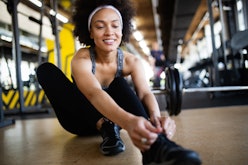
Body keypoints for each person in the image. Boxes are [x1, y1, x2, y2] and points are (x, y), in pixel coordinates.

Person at [36, 0, 201, 164]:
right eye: (100, 27)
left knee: (118, 83)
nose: (109, 32)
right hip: (80, 121)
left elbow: (144, 93)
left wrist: (156, 119)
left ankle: (156, 146)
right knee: (46, 70)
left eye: (115, 26)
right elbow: (94, 93)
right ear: (91, 32)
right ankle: (106, 127)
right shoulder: (82, 58)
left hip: (118, 119)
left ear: (122, 31)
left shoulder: (132, 62)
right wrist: (129, 122)